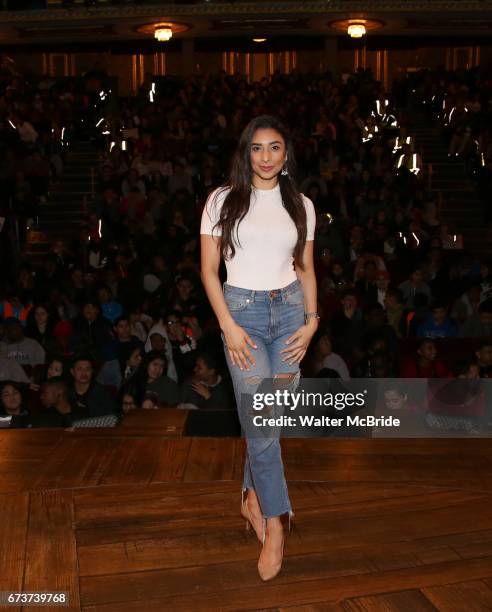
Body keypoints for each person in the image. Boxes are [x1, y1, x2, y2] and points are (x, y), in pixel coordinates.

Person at [200, 115, 318, 581]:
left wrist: (312, 322)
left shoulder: (302, 204)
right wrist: (226, 324)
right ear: (245, 152)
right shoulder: (220, 200)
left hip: (291, 314)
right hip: (242, 316)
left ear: (286, 154)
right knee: (265, 427)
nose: (266, 156)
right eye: (257, 148)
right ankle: (276, 522)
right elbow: (209, 271)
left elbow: (306, 268)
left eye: (275, 147)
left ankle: (251, 495)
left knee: (270, 422)